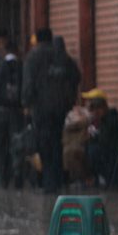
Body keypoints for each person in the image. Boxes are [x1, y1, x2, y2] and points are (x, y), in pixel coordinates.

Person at [22, 29, 81, 193]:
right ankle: (57, 180)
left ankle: (50, 183)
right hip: (60, 108)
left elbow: (28, 85)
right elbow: (76, 76)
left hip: (41, 110)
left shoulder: (33, 57)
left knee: (45, 145)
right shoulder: (63, 57)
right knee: (56, 142)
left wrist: (27, 104)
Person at [0, 45, 23, 188]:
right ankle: (17, 174)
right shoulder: (21, 66)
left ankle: (2, 179)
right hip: (15, 113)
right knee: (16, 144)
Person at [82, 88, 118, 189]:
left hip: (110, 160)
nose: (90, 111)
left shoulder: (111, 120)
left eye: (92, 108)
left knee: (92, 150)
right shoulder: (94, 121)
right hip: (100, 157)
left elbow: (105, 142)